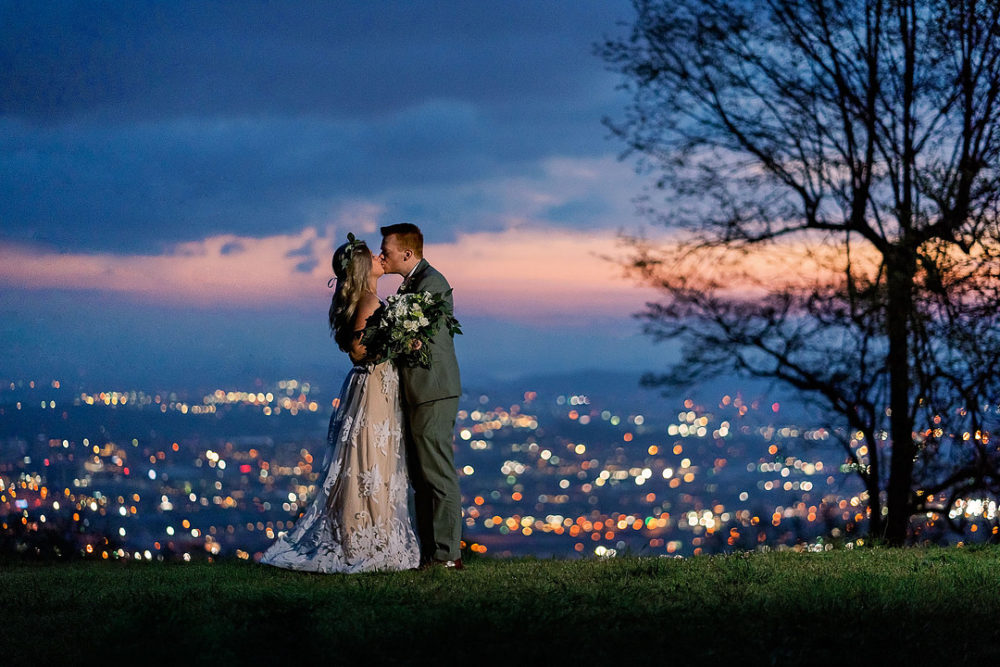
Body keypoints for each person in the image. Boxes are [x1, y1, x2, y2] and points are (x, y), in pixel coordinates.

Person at [260, 235, 420, 573]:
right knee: (367, 459)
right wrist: (398, 344)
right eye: (373, 256)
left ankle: (367, 529)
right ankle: (360, 534)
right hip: (373, 384)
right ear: (363, 268)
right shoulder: (368, 301)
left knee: (372, 457)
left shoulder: (368, 298)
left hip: (377, 385)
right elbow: (358, 350)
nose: (380, 257)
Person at [379, 223, 464, 569]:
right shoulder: (412, 285)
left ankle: (446, 555)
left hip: (433, 392)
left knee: (437, 473)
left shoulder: (432, 284)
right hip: (420, 392)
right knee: (421, 475)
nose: (382, 255)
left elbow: (419, 338)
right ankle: (430, 552)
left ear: (407, 253)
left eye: (387, 250)